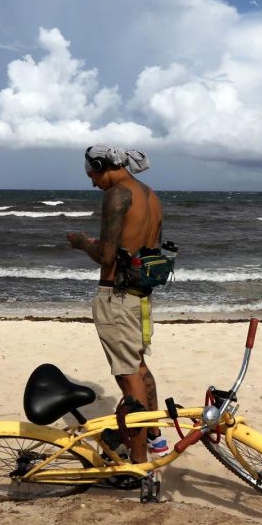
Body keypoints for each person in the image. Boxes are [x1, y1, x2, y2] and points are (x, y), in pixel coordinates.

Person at [67, 145, 167, 464]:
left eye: (92, 174)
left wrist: (83, 243)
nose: (93, 182)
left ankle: (139, 463)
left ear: (102, 165)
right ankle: (155, 439)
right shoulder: (151, 195)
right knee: (138, 366)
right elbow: (146, 247)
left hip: (117, 296)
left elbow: (108, 256)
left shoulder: (117, 195)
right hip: (141, 294)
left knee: (127, 376)